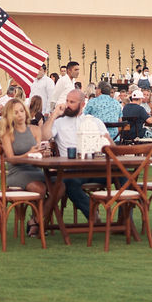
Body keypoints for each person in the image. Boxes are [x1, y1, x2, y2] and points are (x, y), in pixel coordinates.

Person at [42, 88, 110, 217]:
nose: (67, 105)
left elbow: (111, 146)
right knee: (69, 183)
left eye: (72, 102)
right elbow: (44, 137)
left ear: (82, 104)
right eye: (67, 101)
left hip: (96, 168)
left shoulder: (94, 121)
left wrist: (102, 141)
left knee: (126, 176)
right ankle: (93, 215)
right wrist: (54, 114)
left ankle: (125, 221)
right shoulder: (59, 122)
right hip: (72, 170)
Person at [0, 97, 56, 237]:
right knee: (40, 188)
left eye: (21, 111)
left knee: (61, 186)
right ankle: (38, 224)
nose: (20, 115)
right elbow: (10, 158)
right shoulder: (7, 133)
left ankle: (35, 220)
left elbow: (38, 152)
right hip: (18, 172)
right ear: (10, 115)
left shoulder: (35, 130)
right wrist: (27, 154)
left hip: (36, 169)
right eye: (15, 112)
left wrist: (43, 152)